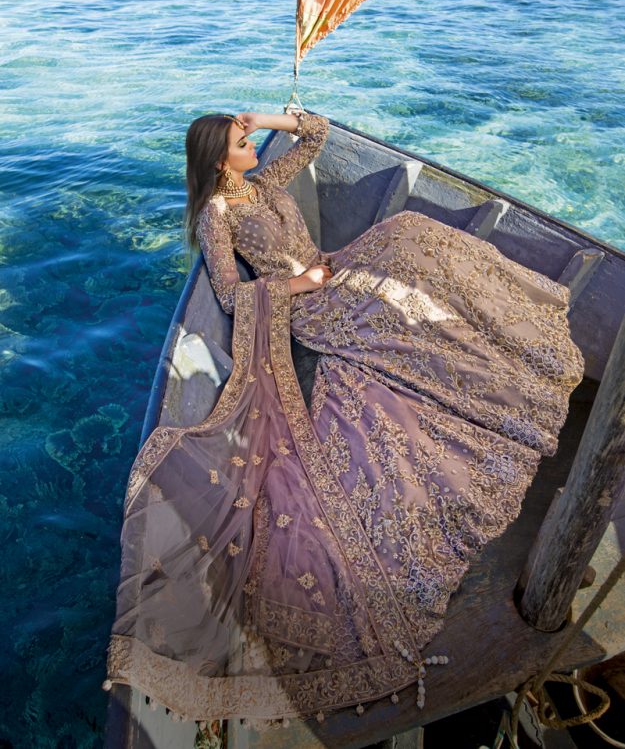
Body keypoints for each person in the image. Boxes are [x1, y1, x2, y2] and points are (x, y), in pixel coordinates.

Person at [105, 110, 584, 730]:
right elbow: (229, 295)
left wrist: (265, 117)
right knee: (399, 333)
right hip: (309, 299)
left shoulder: (262, 183)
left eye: (249, 140)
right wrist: (302, 283)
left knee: (410, 233)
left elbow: (316, 135)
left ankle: (503, 335)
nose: (252, 147)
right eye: (244, 143)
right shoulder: (215, 215)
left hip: (332, 266)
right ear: (220, 162)